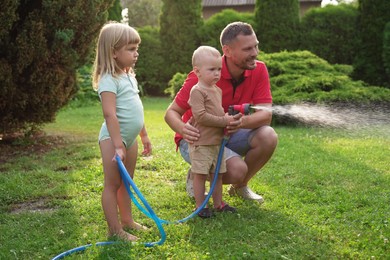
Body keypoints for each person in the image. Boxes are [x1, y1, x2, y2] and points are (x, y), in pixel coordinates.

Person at [164, 21, 278, 204]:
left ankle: (240, 187)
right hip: (198, 139)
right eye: (248, 49)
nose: (255, 53)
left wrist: (238, 123)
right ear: (227, 50)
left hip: (226, 134)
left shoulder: (259, 69)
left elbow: (266, 115)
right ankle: (198, 172)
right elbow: (171, 112)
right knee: (237, 170)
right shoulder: (202, 75)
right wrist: (183, 129)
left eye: (256, 46)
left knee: (268, 136)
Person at [92, 22, 152, 241]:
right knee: (112, 184)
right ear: (113, 52)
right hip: (112, 139)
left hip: (130, 138)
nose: (136, 53)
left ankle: (127, 220)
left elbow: (136, 109)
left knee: (127, 182)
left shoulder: (129, 75)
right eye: (130, 49)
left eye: (137, 48)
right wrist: (118, 145)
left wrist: (143, 135)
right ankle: (115, 230)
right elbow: (110, 115)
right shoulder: (108, 80)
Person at [188, 46, 237, 218]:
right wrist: (224, 120)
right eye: (212, 70)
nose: (217, 73)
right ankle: (200, 206)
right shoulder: (197, 91)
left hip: (217, 142)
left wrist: (228, 122)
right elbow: (200, 116)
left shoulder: (217, 90)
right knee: (201, 175)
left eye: (219, 69)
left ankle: (218, 204)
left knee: (218, 175)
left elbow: (217, 113)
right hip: (201, 142)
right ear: (197, 71)